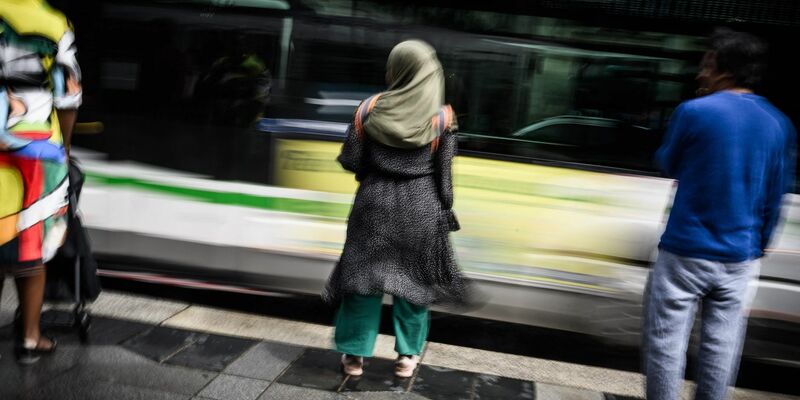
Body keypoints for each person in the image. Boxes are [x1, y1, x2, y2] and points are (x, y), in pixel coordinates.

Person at [643, 28, 796, 400]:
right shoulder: (779, 123)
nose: (700, 74)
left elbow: (668, 163)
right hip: (740, 255)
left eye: (706, 65)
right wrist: (758, 245)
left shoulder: (694, 111)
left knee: (665, 342)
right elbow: (776, 195)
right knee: (722, 344)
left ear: (724, 69)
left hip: (685, 250)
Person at [322, 40, 468, 378]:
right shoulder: (442, 118)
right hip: (420, 210)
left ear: (396, 69)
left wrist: (372, 171)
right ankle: (406, 358)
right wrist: (445, 208)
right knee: (414, 284)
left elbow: (351, 159)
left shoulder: (369, 109)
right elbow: (444, 179)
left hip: (372, 205)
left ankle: (354, 356)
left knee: (363, 281)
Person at [0, 0, 82, 364]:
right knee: (30, 238)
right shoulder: (53, 21)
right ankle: (30, 338)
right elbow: (68, 96)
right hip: (35, 145)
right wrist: (63, 147)